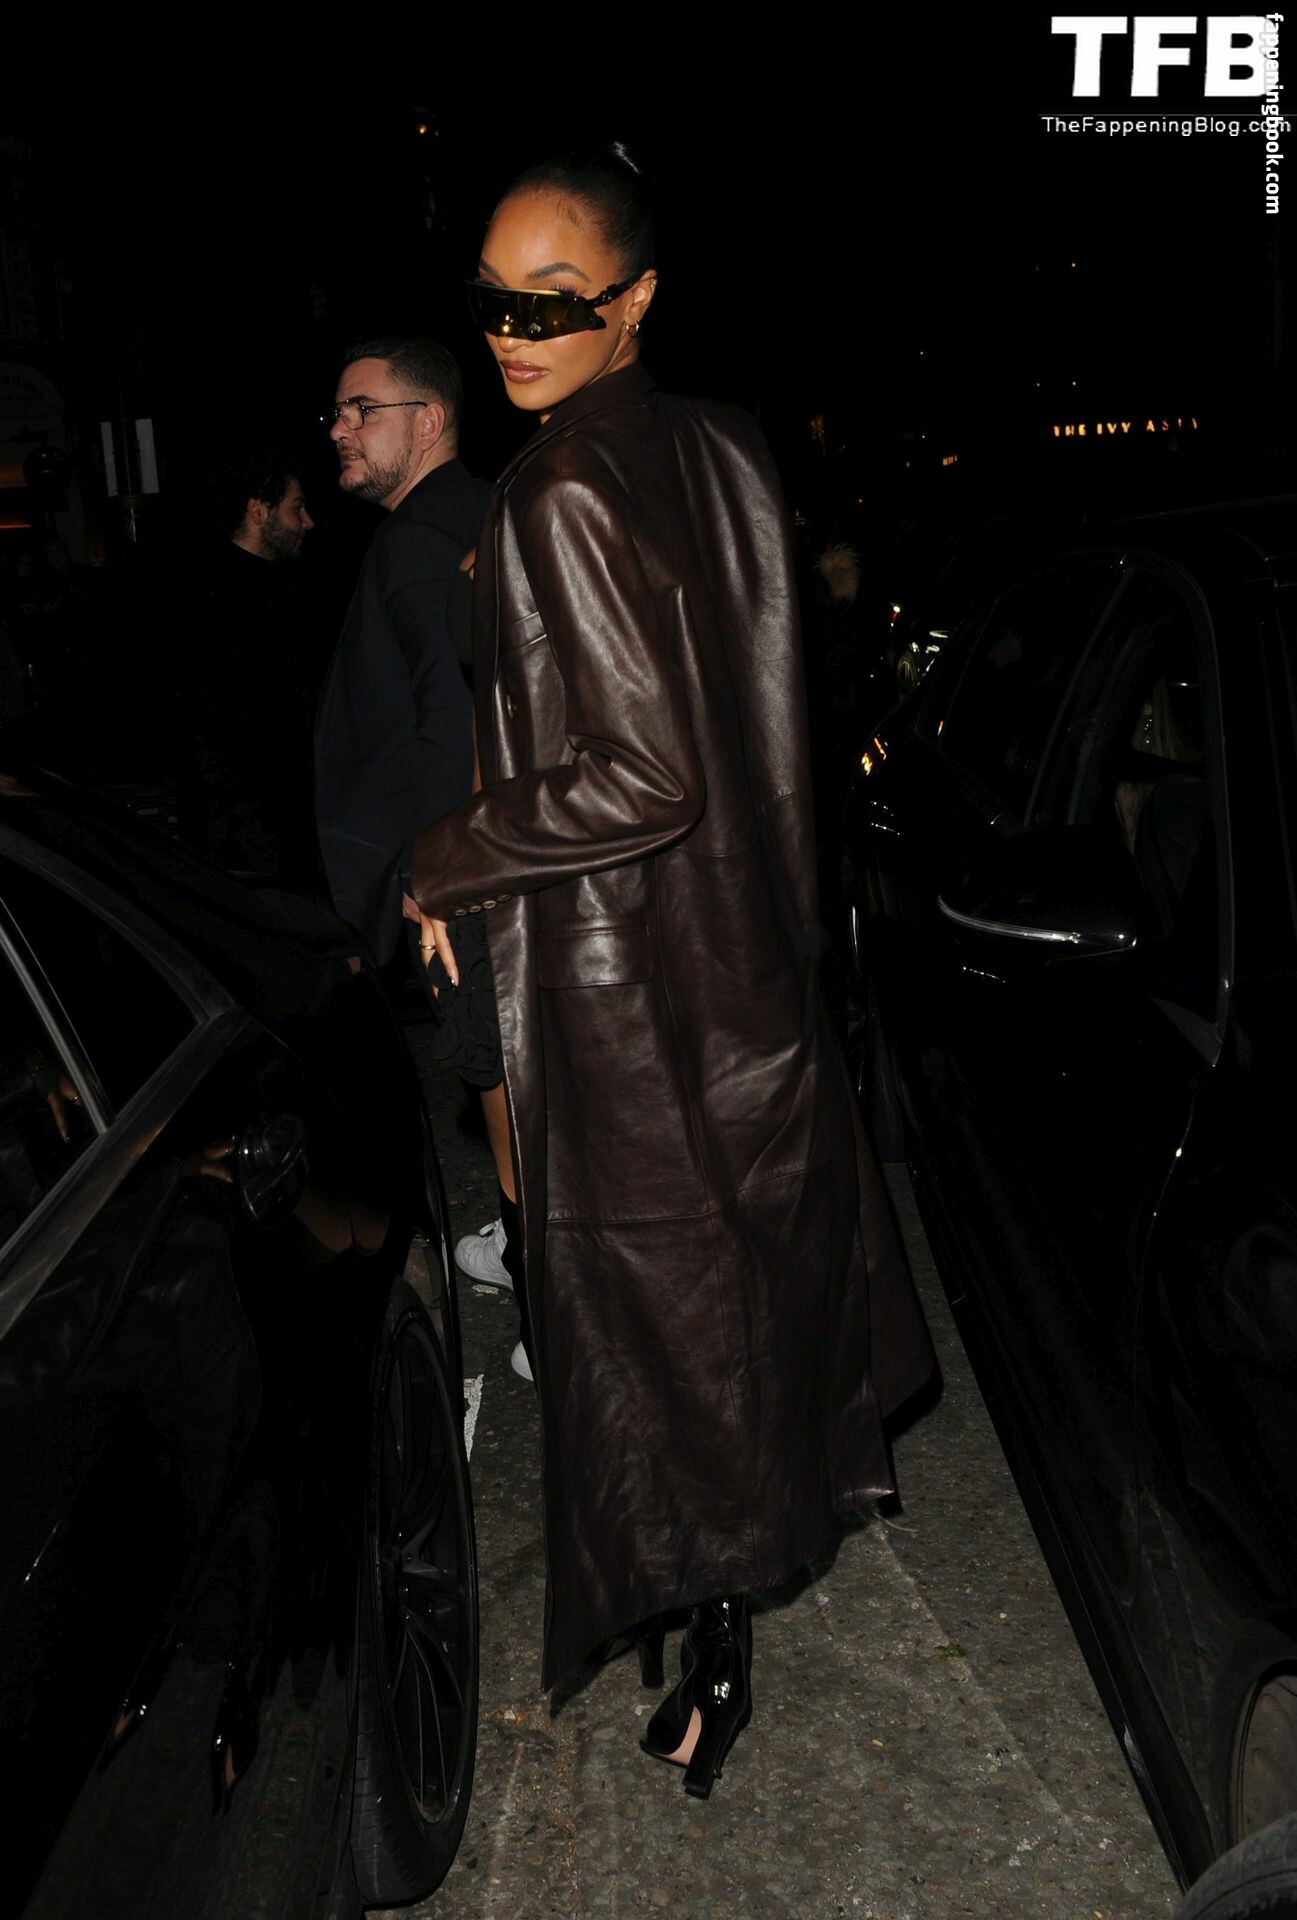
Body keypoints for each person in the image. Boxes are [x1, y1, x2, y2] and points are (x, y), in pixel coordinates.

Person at [412, 145, 934, 1799]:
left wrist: (448, 856)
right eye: (490, 303)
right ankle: (719, 1639)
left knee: (649, 1334)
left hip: (629, 979)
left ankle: (706, 1639)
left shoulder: (557, 488)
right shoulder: (717, 442)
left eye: (549, 303)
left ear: (633, 300)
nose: (511, 335)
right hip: (744, 955)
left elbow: (642, 775)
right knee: (736, 1304)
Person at [314, 336, 489, 970]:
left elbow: (452, 707)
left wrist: (432, 866)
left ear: (428, 423)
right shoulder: (485, 506)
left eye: (362, 410)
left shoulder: (417, 538)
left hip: (448, 883)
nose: (339, 429)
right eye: (337, 413)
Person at [178, 451, 317, 879]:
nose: (308, 522)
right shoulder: (215, 598)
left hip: (267, 814)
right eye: (296, 507)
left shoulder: (280, 588)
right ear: (259, 512)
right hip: (246, 828)